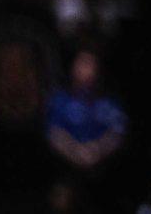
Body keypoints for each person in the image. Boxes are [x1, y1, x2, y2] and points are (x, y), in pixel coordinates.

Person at [46, 48, 126, 213]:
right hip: (66, 170)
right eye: (82, 63)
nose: (85, 69)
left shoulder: (108, 101)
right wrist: (76, 152)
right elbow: (54, 133)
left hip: (103, 172)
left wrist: (95, 150)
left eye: (90, 64)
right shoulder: (60, 99)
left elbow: (117, 133)